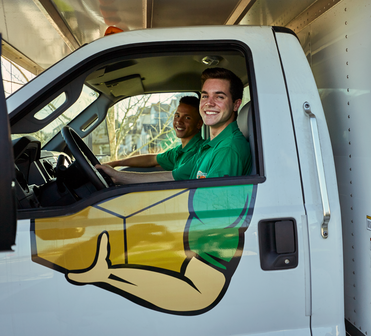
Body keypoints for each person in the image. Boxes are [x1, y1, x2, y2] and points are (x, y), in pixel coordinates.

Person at [67, 68, 254, 315]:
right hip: (198, 241)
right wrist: (119, 177)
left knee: (198, 295)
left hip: (209, 250)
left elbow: (212, 212)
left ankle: (105, 272)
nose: (209, 103)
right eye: (205, 95)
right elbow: (172, 176)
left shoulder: (227, 150)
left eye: (219, 97)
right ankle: (105, 271)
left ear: (236, 104)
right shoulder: (212, 146)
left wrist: (149, 217)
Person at [97, 96, 203, 183]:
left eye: (187, 118)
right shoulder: (179, 151)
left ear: (199, 124)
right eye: (177, 115)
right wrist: (116, 163)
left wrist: (118, 176)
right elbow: (152, 160)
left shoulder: (200, 152)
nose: (179, 121)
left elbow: (171, 177)